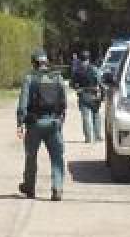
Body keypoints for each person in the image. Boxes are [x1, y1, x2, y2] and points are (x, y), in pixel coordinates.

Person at [17, 48, 67, 201]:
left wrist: (20, 123)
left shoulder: (29, 78)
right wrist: (60, 121)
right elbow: (63, 102)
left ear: (34, 63)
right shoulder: (57, 77)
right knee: (57, 157)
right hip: (53, 123)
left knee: (31, 156)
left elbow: (22, 104)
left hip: (34, 124)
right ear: (46, 62)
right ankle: (57, 188)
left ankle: (29, 188)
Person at [71, 49, 103, 143]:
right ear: (89, 59)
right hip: (94, 94)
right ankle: (98, 136)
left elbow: (72, 84)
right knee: (96, 115)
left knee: (85, 117)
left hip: (83, 95)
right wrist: (101, 94)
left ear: (80, 59)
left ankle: (88, 138)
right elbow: (100, 82)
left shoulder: (77, 70)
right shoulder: (94, 69)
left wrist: (77, 88)